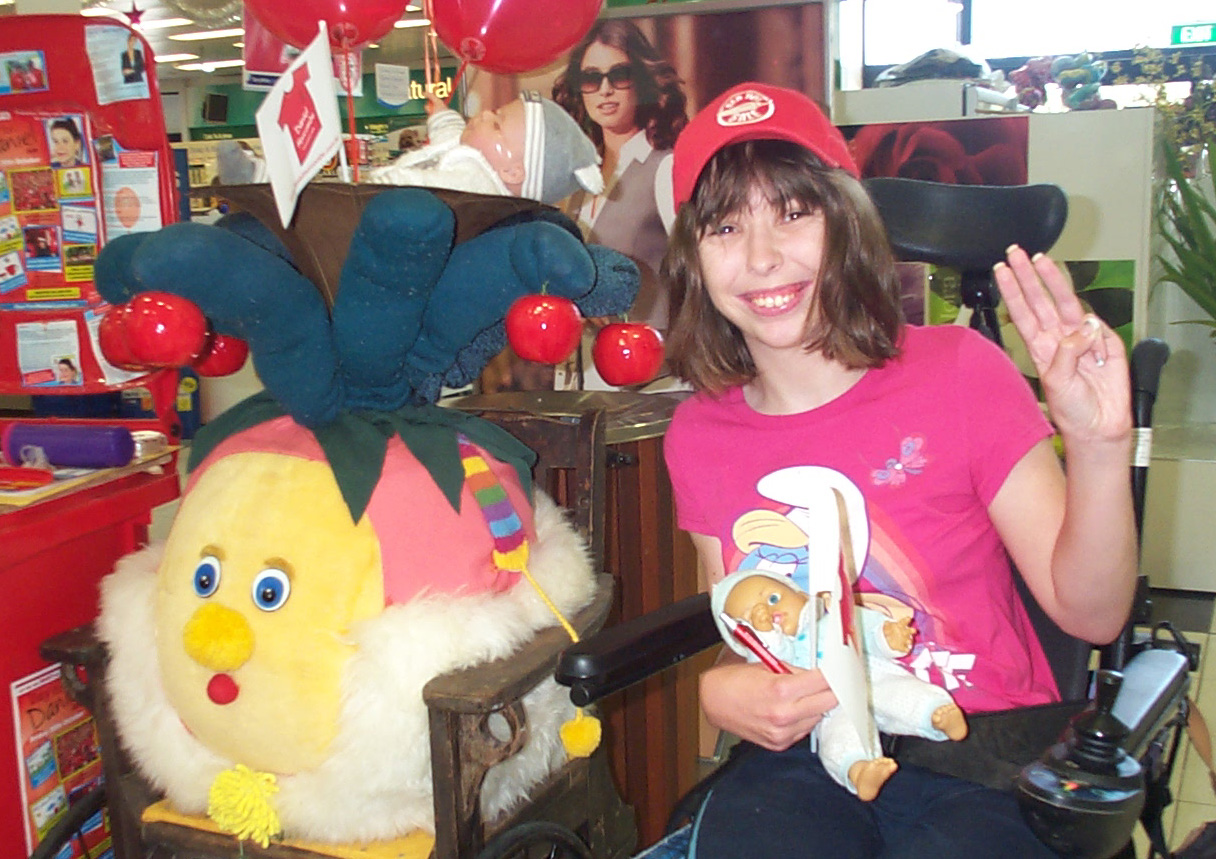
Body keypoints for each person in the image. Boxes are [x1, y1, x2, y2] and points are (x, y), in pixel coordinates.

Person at [661, 82, 1135, 857]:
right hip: (814, 753)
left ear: (846, 222)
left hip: (981, 748)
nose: (761, 256)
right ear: (692, 257)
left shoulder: (961, 371)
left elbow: (1094, 616)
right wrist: (720, 688)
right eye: (725, 226)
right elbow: (753, 624)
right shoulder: (699, 433)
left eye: (793, 212)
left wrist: (1099, 446)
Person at [713, 569, 967, 801]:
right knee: (838, 738)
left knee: (900, 692)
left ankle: (937, 713)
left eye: (773, 599)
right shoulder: (778, 654)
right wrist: (766, 635)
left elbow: (866, 630)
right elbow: (771, 667)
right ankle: (860, 770)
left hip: (870, 676)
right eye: (750, 619)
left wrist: (887, 637)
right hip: (828, 706)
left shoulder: (833, 619)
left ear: (800, 594)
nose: (767, 613)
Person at [551, 19, 688, 329]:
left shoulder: (664, 167)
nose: (605, 90)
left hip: (654, 351)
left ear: (642, 80)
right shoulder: (579, 175)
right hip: (583, 353)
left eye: (619, 75)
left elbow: (696, 272)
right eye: (591, 79)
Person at [367, 91, 603, 206]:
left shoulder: (477, 183)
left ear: (511, 172)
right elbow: (451, 134)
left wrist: (381, 184)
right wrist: (441, 114)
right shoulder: (470, 153)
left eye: (496, 124)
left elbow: (427, 186)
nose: (486, 114)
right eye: (495, 111)